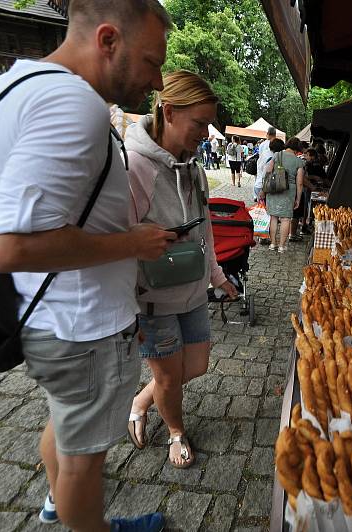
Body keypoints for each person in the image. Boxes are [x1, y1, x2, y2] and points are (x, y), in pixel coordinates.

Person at [0, 1, 174, 530]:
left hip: (45, 317)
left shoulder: (7, 87)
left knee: (66, 424)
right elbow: (4, 245)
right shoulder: (75, 105)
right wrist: (129, 243)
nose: (157, 82)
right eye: (152, 62)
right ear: (108, 40)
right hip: (82, 327)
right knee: (86, 462)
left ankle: (54, 503)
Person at [125, 70, 238, 469]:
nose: (207, 133)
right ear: (169, 113)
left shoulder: (193, 166)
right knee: (171, 378)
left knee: (197, 365)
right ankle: (176, 432)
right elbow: (120, 242)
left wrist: (218, 276)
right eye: (201, 123)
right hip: (152, 299)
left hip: (191, 291)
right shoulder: (136, 166)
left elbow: (204, 225)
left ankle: (143, 398)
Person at [263, 136, 305, 253]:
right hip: (289, 192)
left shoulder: (276, 155)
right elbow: (300, 183)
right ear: (297, 149)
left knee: (274, 217)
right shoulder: (299, 162)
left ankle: (272, 244)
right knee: (286, 219)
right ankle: (281, 246)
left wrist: (265, 188)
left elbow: (267, 171)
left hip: (274, 188)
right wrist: (298, 198)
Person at [255, 126, 277, 203]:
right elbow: (268, 171)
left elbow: (260, 159)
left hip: (259, 180)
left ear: (267, 134)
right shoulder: (276, 145)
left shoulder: (262, 145)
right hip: (266, 184)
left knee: (261, 208)